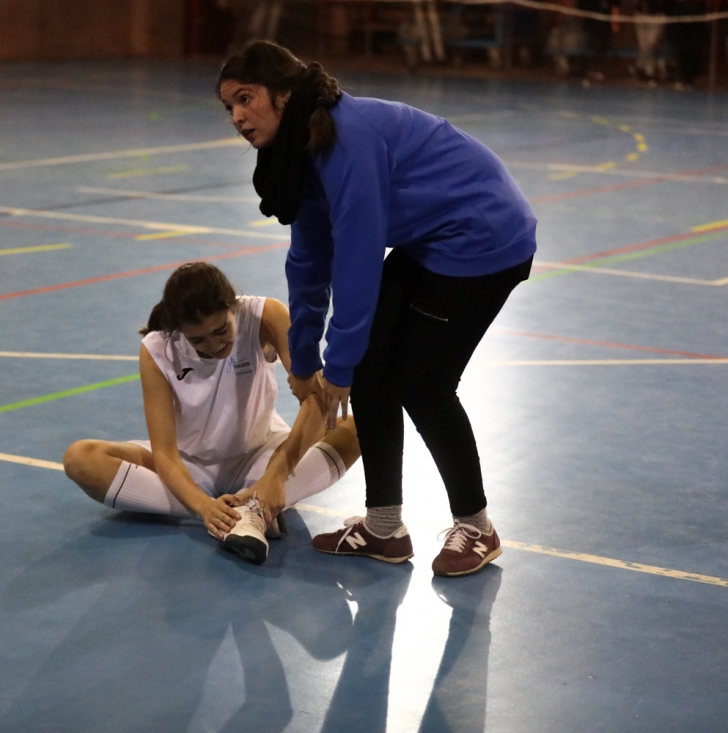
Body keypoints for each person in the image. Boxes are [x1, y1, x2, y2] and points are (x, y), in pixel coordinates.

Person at [217, 41, 536, 576]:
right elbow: (309, 258)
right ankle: (383, 527)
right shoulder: (297, 148)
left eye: (246, 99)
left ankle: (478, 528)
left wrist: (337, 365)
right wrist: (305, 360)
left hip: (484, 237)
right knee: (368, 366)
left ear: (284, 94)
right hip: (431, 238)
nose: (237, 117)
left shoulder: (348, 139)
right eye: (229, 106)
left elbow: (357, 260)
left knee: (422, 384)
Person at [63, 262, 360, 565]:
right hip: (189, 466)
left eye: (221, 330)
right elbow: (164, 453)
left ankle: (254, 503)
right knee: (81, 458)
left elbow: (316, 401)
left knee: (357, 427)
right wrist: (203, 507)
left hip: (261, 455)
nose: (214, 345)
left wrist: (276, 474)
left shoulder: (265, 315)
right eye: (197, 340)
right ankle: (248, 512)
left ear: (233, 307)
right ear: (179, 331)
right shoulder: (156, 348)